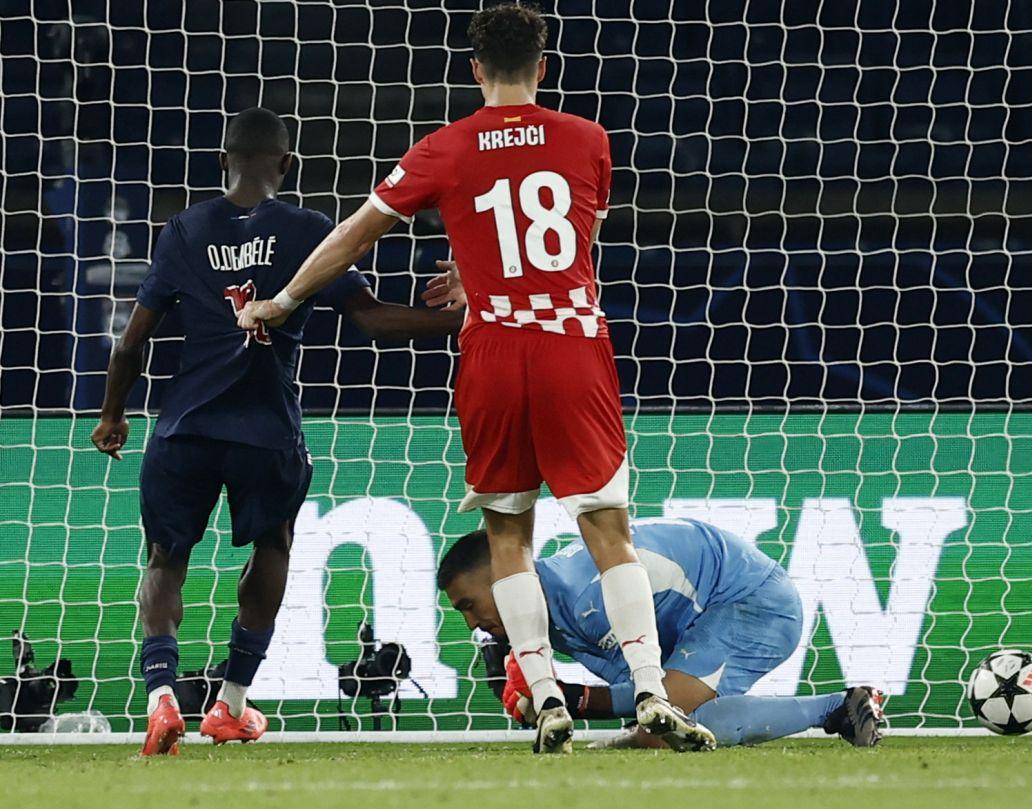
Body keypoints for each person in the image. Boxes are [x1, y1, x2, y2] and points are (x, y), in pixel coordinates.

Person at [236, 4, 708, 752]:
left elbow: (355, 231)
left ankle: (544, 693)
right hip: (571, 349)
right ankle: (650, 688)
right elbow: (570, 244)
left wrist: (283, 297)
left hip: (493, 355)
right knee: (607, 531)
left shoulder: (443, 148)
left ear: (475, 69)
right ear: (544, 68)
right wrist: (492, 266)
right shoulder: (590, 141)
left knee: (508, 535)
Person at [90, 107, 462, 757]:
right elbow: (372, 321)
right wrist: (463, 321)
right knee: (273, 546)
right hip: (266, 427)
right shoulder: (310, 229)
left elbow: (131, 340)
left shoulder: (184, 229)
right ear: (286, 164)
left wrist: (113, 412)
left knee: (164, 559)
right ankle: (230, 704)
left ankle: (161, 696)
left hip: (185, 426)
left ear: (222, 161)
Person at [437, 518, 885, 749]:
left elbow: (648, 699)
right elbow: (637, 685)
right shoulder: (553, 605)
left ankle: (838, 707)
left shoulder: (584, 602)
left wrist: (565, 700)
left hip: (751, 602)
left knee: (665, 730)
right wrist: (564, 698)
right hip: (711, 610)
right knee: (657, 723)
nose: (472, 624)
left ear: (503, 578)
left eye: (469, 606)